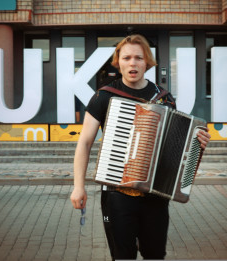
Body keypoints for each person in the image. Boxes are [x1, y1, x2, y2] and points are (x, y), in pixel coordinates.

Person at [70, 34, 211, 260]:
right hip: (117, 194)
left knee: (155, 254)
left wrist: (197, 143)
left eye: (138, 58)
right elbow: (85, 143)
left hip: (155, 195)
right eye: (126, 58)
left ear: (147, 62)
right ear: (118, 62)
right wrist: (78, 187)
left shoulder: (164, 99)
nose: (132, 63)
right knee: (122, 255)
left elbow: (178, 141)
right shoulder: (104, 96)